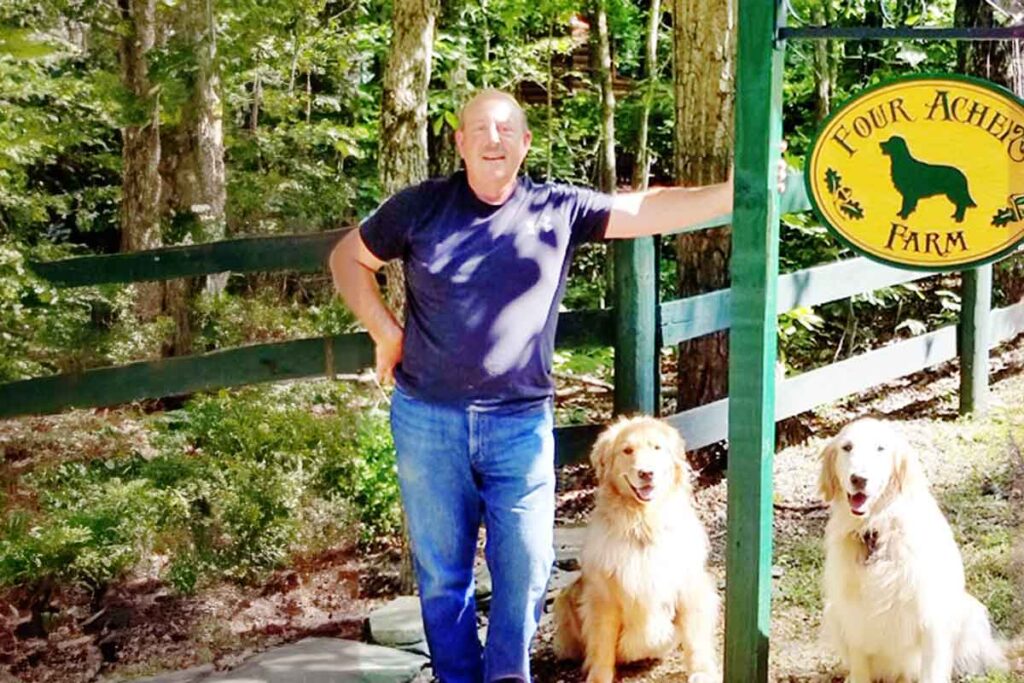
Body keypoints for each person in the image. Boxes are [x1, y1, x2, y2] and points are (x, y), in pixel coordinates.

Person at [330, 88, 785, 683]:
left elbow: (647, 208)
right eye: (480, 130)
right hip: (427, 417)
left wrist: (735, 192)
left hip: (518, 423)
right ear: (460, 142)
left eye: (506, 130)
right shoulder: (419, 208)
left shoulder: (555, 208)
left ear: (524, 143)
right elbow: (347, 259)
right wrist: (386, 334)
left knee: (527, 564)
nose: (493, 140)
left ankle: (507, 675)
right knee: (443, 574)